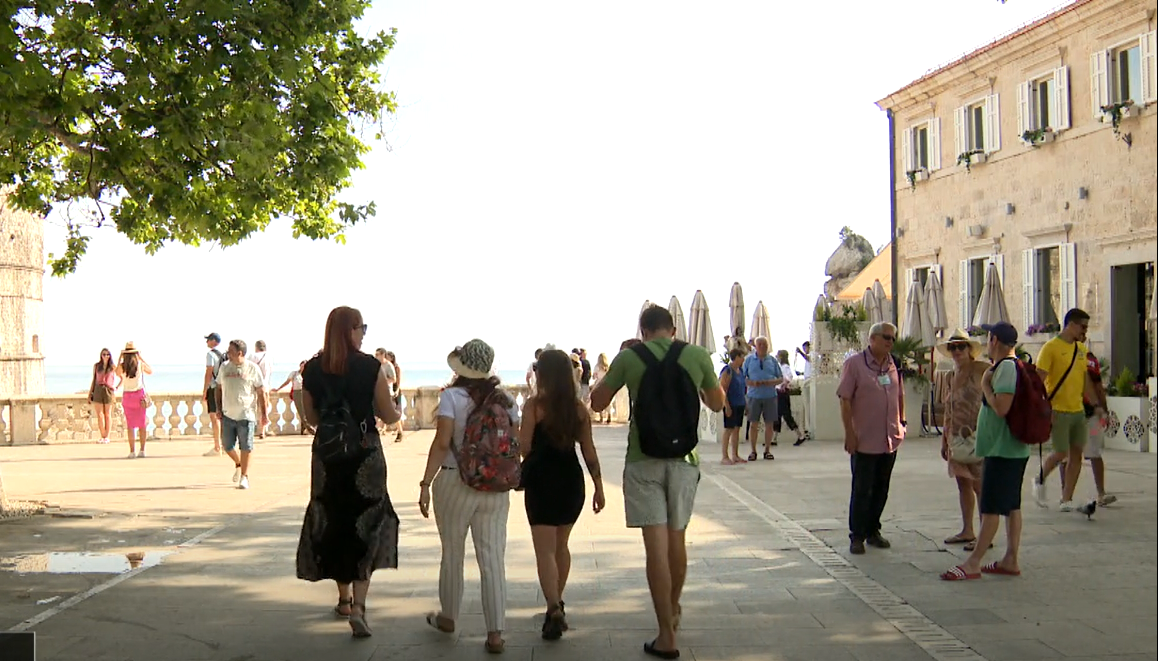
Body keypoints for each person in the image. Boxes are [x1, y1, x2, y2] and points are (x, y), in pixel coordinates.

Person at [590, 305, 725, 660]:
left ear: (644, 331)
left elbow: (598, 402)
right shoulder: (696, 355)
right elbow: (716, 404)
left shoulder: (630, 357)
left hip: (643, 459)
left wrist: (618, 372)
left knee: (656, 549)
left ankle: (666, 634)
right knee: (677, 540)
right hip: (684, 460)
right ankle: (673, 607)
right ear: (673, 329)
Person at [296, 306, 400, 638]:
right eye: (361, 328)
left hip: (327, 457)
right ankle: (359, 607)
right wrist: (395, 412)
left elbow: (311, 418)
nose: (364, 334)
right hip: (364, 454)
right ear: (351, 330)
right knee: (366, 521)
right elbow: (388, 414)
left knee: (334, 519)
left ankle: (343, 599)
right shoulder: (370, 366)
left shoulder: (313, 368)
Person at [418, 339, 519, 654]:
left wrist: (425, 483)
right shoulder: (507, 400)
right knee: (492, 559)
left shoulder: (452, 397)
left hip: (454, 480)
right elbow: (514, 443)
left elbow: (442, 443)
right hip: (495, 487)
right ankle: (495, 634)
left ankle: (448, 617)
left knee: (452, 552)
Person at [518, 349, 605, 640]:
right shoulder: (578, 409)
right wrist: (599, 486)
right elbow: (589, 451)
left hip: (541, 481)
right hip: (571, 480)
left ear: (542, 374)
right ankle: (558, 600)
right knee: (561, 545)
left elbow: (524, 447)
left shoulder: (534, 407)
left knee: (544, 549)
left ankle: (553, 606)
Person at [940, 321, 1030, 581]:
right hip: (1008, 448)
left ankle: (973, 563)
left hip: (1002, 449)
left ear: (994, 341)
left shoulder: (1004, 369)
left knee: (990, 507)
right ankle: (1010, 559)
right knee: (1011, 506)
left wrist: (986, 386)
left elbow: (1001, 407)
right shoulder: (1009, 367)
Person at [838, 322, 905, 555]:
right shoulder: (855, 364)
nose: (890, 342)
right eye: (886, 337)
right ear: (872, 339)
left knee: (881, 488)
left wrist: (903, 423)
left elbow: (899, 394)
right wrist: (849, 433)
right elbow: (845, 400)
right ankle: (857, 535)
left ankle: (873, 529)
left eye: (893, 338)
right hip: (865, 439)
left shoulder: (893, 364)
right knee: (862, 489)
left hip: (889, 439)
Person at [1033, 308, 1100, 511]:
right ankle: (1040, 478)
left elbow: (1085, 380)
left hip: (1077, 410)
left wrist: (1096, 405)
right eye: (1083, 327)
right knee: (1060, 452)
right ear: (1071, 325)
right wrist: (1042, 408)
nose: (1085, 331)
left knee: (1076, 455)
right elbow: (1038, 380)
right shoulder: (1051, 348)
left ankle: (1066, 498)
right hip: (1058, 409)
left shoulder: (1081, 350)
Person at [936, 329, 987, 549]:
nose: (957, 351)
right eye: (953, 347)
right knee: (962, 483)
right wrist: (944, 439)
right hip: (956, 436)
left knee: (980, 485)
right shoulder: (950, 376)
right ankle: (968, 530)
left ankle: (985, 534)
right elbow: (948, 409)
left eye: (961, 346)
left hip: (978, 435)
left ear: (969, 349)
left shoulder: (982, 370)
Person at [214, 340, 268, 490]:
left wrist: (264, 414)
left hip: (246, 414)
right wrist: (218, 408)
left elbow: (261, 392)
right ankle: (238, 463)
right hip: (228, 414)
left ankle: (244, 476)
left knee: (246, 446)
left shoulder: (252, 368)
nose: (228, 354)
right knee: (227, 445)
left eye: (230, 351)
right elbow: (218, 387)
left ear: (239, 353)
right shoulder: (224, 367)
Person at [1080, 349, 1115, 506]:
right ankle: (1066, 495)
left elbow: (1098, 386)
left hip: (1090, 414)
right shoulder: (1087, 359)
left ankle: (1100, 493)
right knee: (1068, 454)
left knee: (1092, 451)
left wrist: (1104, 410)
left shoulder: (1089, 359)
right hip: (1078, 413)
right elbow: (1098, 387)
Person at [742, 337, 783, 461]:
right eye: (760, 344)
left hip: (770, 396)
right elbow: (742, 377)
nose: (762, 346)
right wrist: (752, 383)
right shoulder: (749, 360)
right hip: (753, 396)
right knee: (753, 424)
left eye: (764, 344)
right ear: (756, 346)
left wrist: (770, 382)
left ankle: (767, 450)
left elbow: (780, 378)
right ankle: (753, 451)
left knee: (769, 424)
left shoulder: (772, 361)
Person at [115, 342, 153, 458]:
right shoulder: (140, 364)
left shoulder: (123, 366)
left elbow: (116, 372)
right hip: (139, 396)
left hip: (128, 396)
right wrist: (141, 358)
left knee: (130, 425)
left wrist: (119, 359)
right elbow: (150, 371)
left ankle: (132, 451)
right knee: (142, 424)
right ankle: (142, 450)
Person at [719, 349, 748, 464]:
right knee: (729, 429)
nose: (743, 359)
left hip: (740, 403)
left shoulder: (740, 371)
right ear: (736, 357)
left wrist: (745, 404)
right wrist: (726, 405)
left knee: (736, 429)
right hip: (731, 403)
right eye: (741, 357)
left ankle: (735, 455)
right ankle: (724, 456)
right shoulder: (728, 370)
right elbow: (722, 388)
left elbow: (742, 389)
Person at [773, 349, 807, 446]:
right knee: (777, 415)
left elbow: (789, 377)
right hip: (779, 392)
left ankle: (800, 435)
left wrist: (784, 384)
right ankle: (774, 438)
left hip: (782, 393)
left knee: (786, 414)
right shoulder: (781, 367)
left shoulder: (785, 367)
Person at [88, 348, 120, 444]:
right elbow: (94, 380)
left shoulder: (112, 367)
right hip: (98, 389)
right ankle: (103, 435)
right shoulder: (97, 366)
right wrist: (90, 393)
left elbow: (122, 377)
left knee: (107, 414)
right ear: (101, 356)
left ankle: (107, 436)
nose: (106, 356)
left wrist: (116, 387)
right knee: (100, 415)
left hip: (108, 390)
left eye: (107, 354)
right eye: (104, 354)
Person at [273, 361, 311, 435]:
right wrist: (278, 389)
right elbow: (287, 382)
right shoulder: (294, 373)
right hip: (297, 393)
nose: (303, 367)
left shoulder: (309, 374)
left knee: (306, 411)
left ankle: (304, 429)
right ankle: (309, 428)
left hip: (306, 393)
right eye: (302, 366)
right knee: (301, 411)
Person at [203, 333, 226, 456]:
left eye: (208, 340)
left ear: (213, 341)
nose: (207, 342)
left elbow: (209, 372)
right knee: (223, 417)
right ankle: (226, 445)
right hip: (223, 387)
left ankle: (217, 447)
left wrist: (205, 390)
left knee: (214, 417)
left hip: (213, 387)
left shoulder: (210, 354)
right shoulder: (224, 354)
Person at [251, 340, 273, 438]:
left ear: (256, 347)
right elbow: (270, 371)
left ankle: (253, 428)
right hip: (265, 385)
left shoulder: (253, 356)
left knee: (253, 407)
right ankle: (262, 431)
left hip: (254, 385)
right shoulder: (268, 357)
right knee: (265, 408)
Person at [387, 351, 405, 442]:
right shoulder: (386, 366)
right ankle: (399, 430)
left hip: (395, 391)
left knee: (396, 411)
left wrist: (397, 390)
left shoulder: (396, 367)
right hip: (388, 390)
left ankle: (400, 432)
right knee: (394, 411)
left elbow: (398, 380)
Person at [592, 353, 612, 424]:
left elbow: (594, 376)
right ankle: (609, 415)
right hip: (606, 383)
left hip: (599, 384)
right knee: (608, 400)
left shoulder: (597, 366)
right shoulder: (608, 366)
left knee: (599, 400)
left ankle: (601, 417)